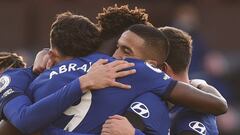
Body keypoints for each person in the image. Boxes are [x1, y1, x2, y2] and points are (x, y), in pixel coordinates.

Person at [0, 9, 227, 135]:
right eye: (116, 47)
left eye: (126, 51)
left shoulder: (192, 114)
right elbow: (19, 123)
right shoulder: (117, 78)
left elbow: (219, 106)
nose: (115, 57)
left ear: (157, 67)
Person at [101, 26, 220, 135]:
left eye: (143, 64)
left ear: (159, 68)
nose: (115, 57)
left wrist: (132, 133)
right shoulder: (149, 100)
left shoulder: (197, 115)